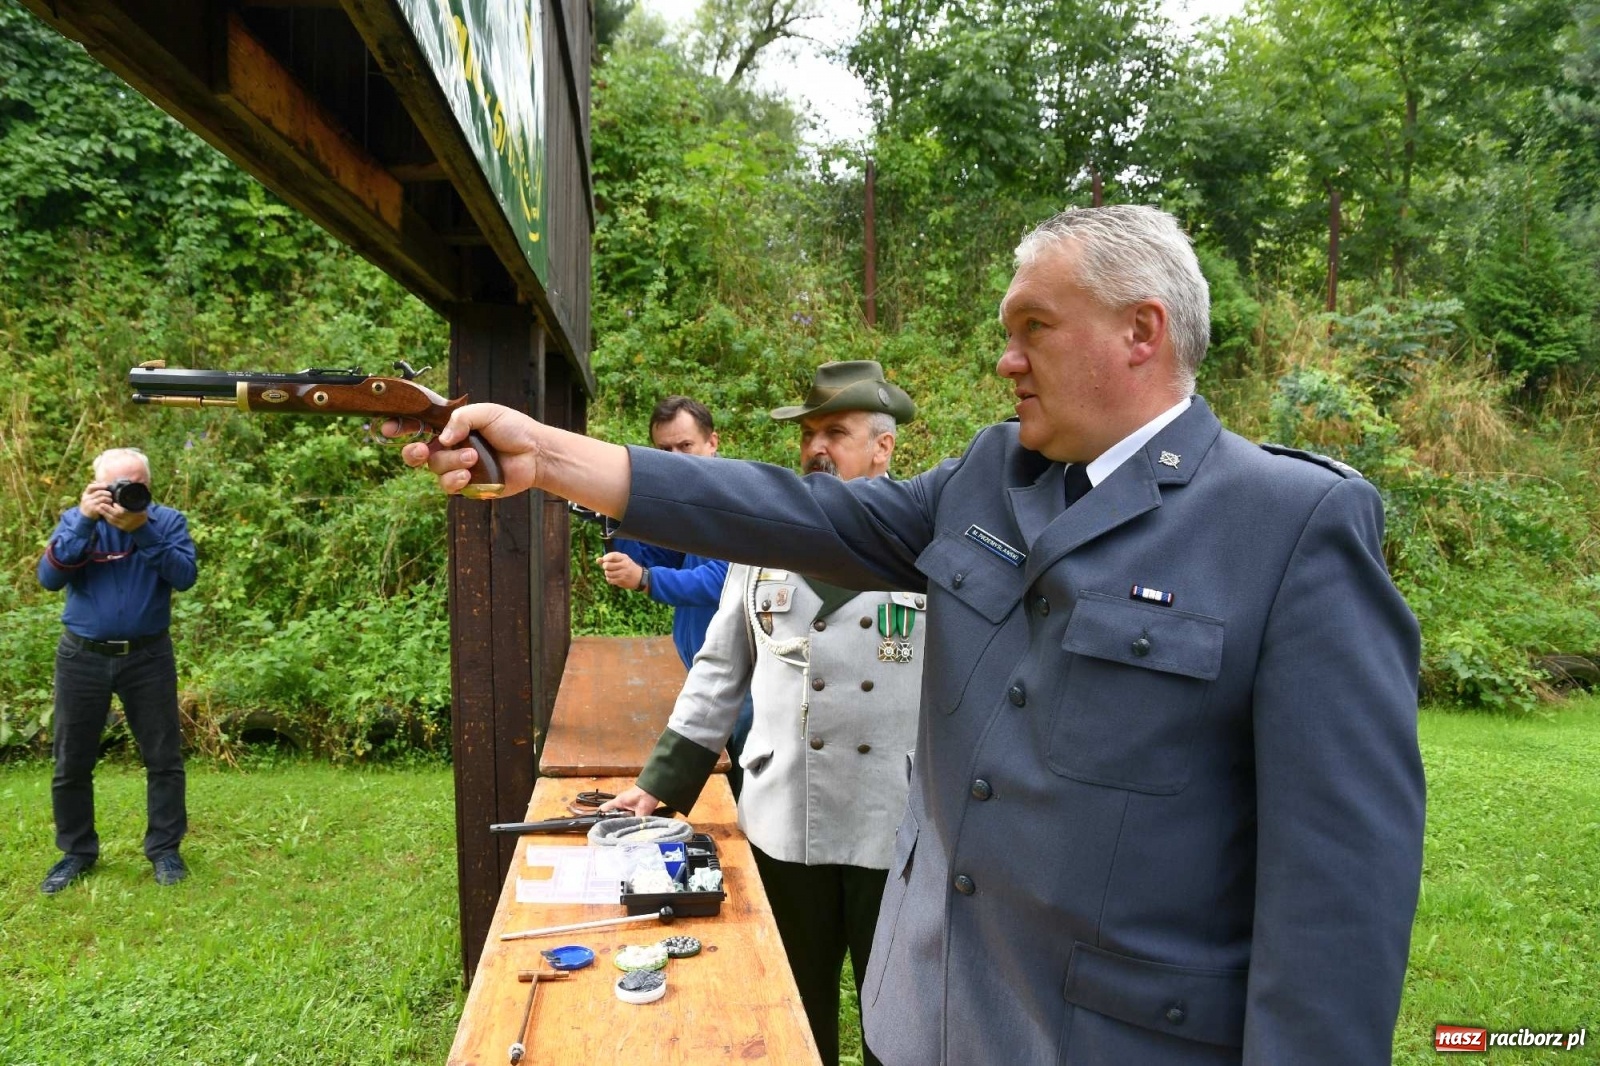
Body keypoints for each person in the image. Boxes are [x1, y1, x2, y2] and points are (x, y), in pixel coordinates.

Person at [395, 205, 1426, 1065]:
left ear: (1140, 332)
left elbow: (1337, 892)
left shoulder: (1287, 524)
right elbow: (791, 515)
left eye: (1033, 327)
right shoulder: (989, 475)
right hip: (922, 1011)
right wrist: (550, 457)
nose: (1003, 357)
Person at [602, 363, 925, 1066]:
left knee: (899, 1023)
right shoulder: (764, 541)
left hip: (893, 820)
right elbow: (721, 666)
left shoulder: (927, 542)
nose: (815, 449)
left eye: (835, 433)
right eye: (808, 434)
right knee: (787, 1011)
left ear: (883, 448)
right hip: (786, 815)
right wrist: (664, 779)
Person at [37, 447, 198, 894]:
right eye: (115, 486)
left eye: (135, 485)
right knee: (71, 760)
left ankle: (165, 850)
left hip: (147, 656)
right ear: (96, 486)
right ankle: (76, 852)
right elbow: (49, 578)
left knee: (163, 758)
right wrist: (87, 521)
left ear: (149, 485)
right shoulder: (77, 519)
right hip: (81, 656)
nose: (125, 492)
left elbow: (185, 577)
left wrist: (142, 531)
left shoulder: (166, 522)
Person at [595, 396, 758, 793]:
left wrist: (646, 579)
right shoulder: (688, 502)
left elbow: (720, 580)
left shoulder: (733, 500)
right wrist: (614, 515)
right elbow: (658, 555)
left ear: (712, 443)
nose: (674, 458)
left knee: (741, 795)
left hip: (746, 687)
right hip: (709, 675)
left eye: (685, 447)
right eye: (664, 450)